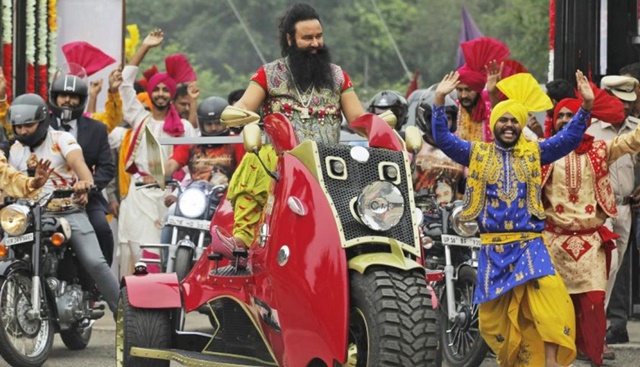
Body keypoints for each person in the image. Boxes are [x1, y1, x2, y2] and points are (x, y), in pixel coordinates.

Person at [432, 70, 594, 367]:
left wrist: (586, 106)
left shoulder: (533, 153)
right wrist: (440, 99)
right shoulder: (477, 153)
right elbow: (443, 138)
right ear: (495, 125)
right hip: (494, 250)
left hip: (530, 245)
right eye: (503, 120)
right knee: (496, 324)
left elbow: (568, 139)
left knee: (552, 303)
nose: (509, 126)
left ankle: (552, 362)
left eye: (514, 121)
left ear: (521, 125)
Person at [219, 2, 365, 257]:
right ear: (290, 39)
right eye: (307, 38)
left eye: (319, 36)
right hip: (280, 166)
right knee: (258, 159)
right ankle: (242, 242)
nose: (316, 43)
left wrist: (381, 125)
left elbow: (358, 119)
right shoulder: (269, 74)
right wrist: (236, 114)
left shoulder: (338, 76)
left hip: (327, 165)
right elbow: (243, 106)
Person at [541, 75, 640, 365]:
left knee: (594, 303)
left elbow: (633, 140)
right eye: (560, 116)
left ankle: (592, 352)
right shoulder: (544, 151)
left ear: (583, 119)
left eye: (571, 115)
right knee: (557, 306)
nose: (565, 120)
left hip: (590, 242)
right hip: (553, 241)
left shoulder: (600, 149)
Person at [7, 93, 119, 314]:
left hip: (66, 211)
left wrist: (84, 182)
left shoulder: (62, 139)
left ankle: (125, 315)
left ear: (42, 120)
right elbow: (11, 182)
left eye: (28, 125)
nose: (23, 131)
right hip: (27, 216)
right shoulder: (16, 150)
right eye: (18, 127)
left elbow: (80, 164)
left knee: (95, 262)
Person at [117, 29, 197, 277]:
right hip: (139, 193)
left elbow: (182, 156)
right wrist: (145, 47)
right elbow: (125, 82)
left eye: (166, 89)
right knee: (140, 249)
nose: (161, 93)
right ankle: (136, 299)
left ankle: (164, 299)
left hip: (169, 193)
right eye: (157, 89)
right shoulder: (139, 118)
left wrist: (163, 175)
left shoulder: (182, 127)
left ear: (172, 94)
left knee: (167, 250)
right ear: (150, 93)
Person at [586, 75, 639, 355]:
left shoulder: (637, 129)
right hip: (599, 210)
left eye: (629, 102)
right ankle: (596, 335)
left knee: (614, 272)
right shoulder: (592, 131)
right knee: (604, 269)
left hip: (626, 208)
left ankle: (595, 333)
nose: (626, 107)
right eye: (620, 101)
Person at [47, 70, 117, 267]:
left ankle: (98, 285)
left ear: (82, 100)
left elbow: (107, 167)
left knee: (102, 229)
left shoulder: (97, 129)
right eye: (63, 95)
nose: (67, 100)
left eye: (73, 96)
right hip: (46, 197)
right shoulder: (43, 126)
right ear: (54, 97)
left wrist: (88, 186)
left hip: (86, 198)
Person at [161, 96, 244, 245]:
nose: (213, 128)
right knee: (170, 214)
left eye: (217, 123)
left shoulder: (236, 142)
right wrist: (162, 174)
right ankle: (167, 261)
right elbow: (172, 164)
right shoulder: (193, 143)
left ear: (226, 123)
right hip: (195, 200)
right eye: (209, 124)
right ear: (201, 124)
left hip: (226, 201)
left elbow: (244, 171)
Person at [412, 87, 464, 203]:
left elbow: (467, 185)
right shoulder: (414, 145)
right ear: (425, 119)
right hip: (419, 214)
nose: (443, 121)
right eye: (438, 117)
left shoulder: (459, 147)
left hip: (451, 215)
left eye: (448, 118)